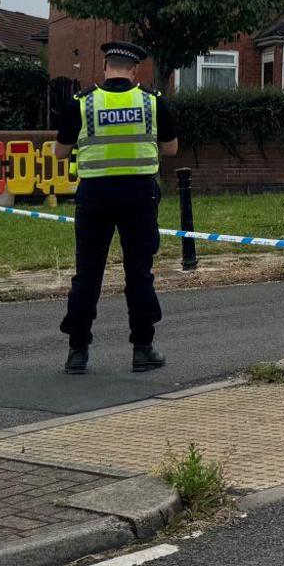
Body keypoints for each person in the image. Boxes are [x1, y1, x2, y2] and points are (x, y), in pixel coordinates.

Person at [52, 41, 180, 374]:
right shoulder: (152, 102)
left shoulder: (82, 104)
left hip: (95, 196)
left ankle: (77, 352)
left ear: (106, 66)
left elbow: (60, 153)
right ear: (134, 70)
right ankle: (142, 349)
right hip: (139, 195)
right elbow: (170, 149)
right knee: (139, 273)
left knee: (87, 275)